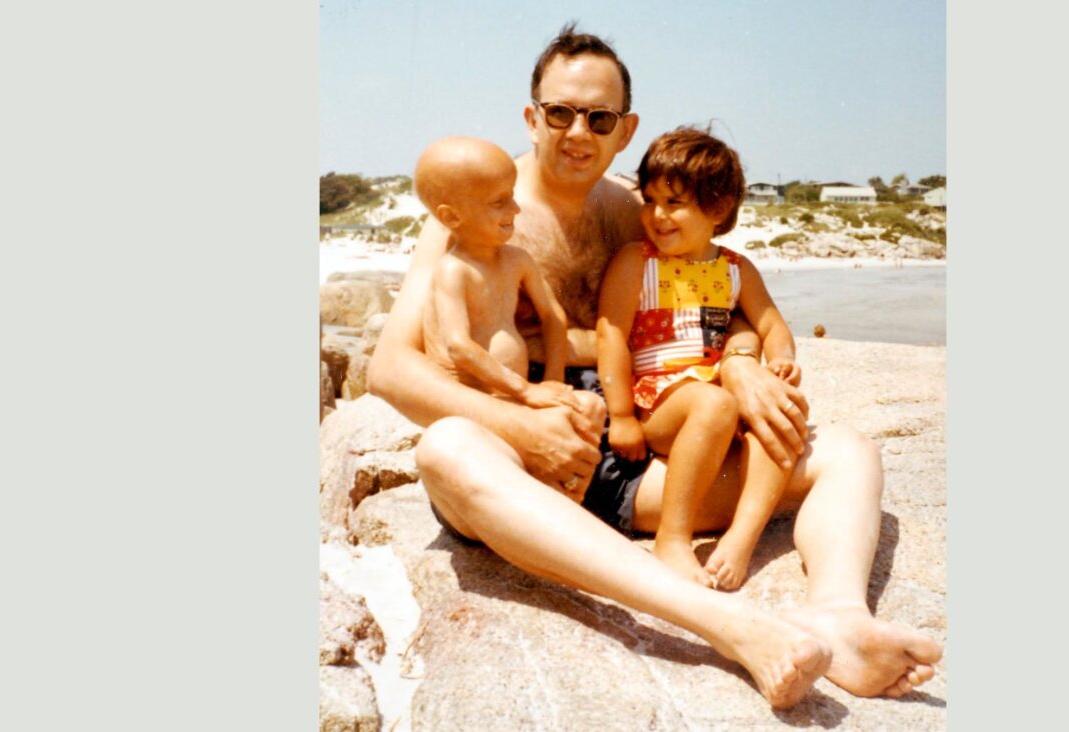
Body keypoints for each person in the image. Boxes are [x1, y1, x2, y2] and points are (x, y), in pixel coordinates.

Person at [369, 23, 942, 708]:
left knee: (844, 451)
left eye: (599, 117)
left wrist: (741, 364)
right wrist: (522, 430)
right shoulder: (479, 208)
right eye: (560, 112)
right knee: (446, 450)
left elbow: (712, 305)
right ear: (532, 115)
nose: (577, 130)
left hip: (633, 457)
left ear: (625, 128)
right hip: (519, 457)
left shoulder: (633, 214)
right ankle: (729, 625)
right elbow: (392, 370)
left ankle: (841, 619)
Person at [597, 127, 800, 591]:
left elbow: (773, 327)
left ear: (717, 209)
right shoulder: (636, 261)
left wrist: (782, 362)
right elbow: (611, 336)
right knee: (715, 405)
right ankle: (673, 537)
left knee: (782, 413)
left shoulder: (735, 269)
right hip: (660, 401)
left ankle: (740, 539)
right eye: (650, 200)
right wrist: (622, 415)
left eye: (674, 203)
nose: (657, 215)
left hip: (715, 394)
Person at [412, 136, 602, 498]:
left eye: (513, 196)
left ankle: (567, 498)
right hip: (481, 406)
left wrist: (553, 381)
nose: (515, 209)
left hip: (520, 398)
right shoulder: (453, 270)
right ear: (452, 217)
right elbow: (459, 347)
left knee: (590, 406)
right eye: (500, 202)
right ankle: (551, 502)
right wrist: (525, 390)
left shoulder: (516, 260)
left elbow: (553, 316)